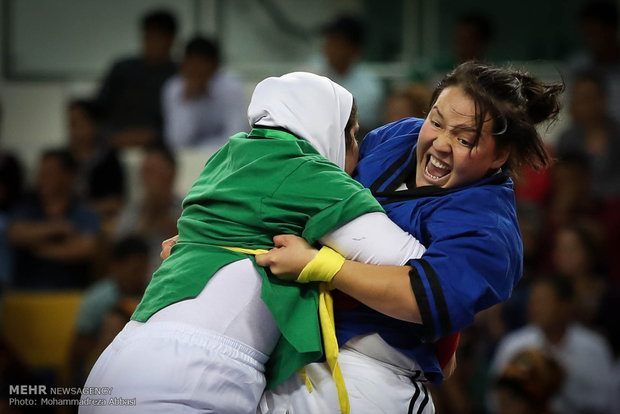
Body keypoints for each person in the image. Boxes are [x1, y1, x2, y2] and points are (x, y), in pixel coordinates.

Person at [80, 72, 427, 414]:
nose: (356, 156)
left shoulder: (226, 159)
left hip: (124, 356)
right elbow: (416, 265)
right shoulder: (306, 170)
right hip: (191, 373)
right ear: (325, 129)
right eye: (351, 137)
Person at [254, 61, 563, 413]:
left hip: (374, 374)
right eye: (436, 121)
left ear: (500, 155)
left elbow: (420, 298)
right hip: (291, 343)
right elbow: (316, 185)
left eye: (464, 139)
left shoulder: (490, 227)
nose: (442, 143)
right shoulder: (399, 137)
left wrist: (323, 266)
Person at [490, 276, 614, 414]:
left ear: (564, 305)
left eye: (542, 302)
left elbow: (606, 402)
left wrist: (558, 383)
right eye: (532, 302)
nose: (535, 308)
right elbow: (493, 400)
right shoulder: (513, 344)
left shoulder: (593, 348)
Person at [7, 149, 100, 290]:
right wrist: (58, 228)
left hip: (69, 293)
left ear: (68, 176)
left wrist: (35, 247)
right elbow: (15, 234)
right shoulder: (27, 207)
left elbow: (85, 248)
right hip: (26, 292)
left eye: (50, 173)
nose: (42, 177)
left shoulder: (83, 211)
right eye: (41, 172)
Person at [96, 9, 178, 147]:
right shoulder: (122, 69)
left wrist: (153, 135)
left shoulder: (178, 76)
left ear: (170, 40)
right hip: (114, 144)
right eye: (148, 37)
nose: (151, 43)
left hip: (159, 148)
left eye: (157, 37)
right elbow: (99, 110)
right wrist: (110, 135)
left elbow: (180, 121)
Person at [162, 36, 248, 149]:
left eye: (201, 66)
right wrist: (187, 99)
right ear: (184, 65)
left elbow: (236, 138)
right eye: (192, 66)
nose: (196, 73)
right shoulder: (174, 88)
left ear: (214, 66)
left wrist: (199, 149)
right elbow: (176, 141)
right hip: (190, 158)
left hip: (225, 158)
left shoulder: (231, 87)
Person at [312, 14, 385, 134]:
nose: (330, 49)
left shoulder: (370, 87)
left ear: (355, 50)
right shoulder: (312, 70)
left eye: (338, 44)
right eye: (329, 41)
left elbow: (353, 127)